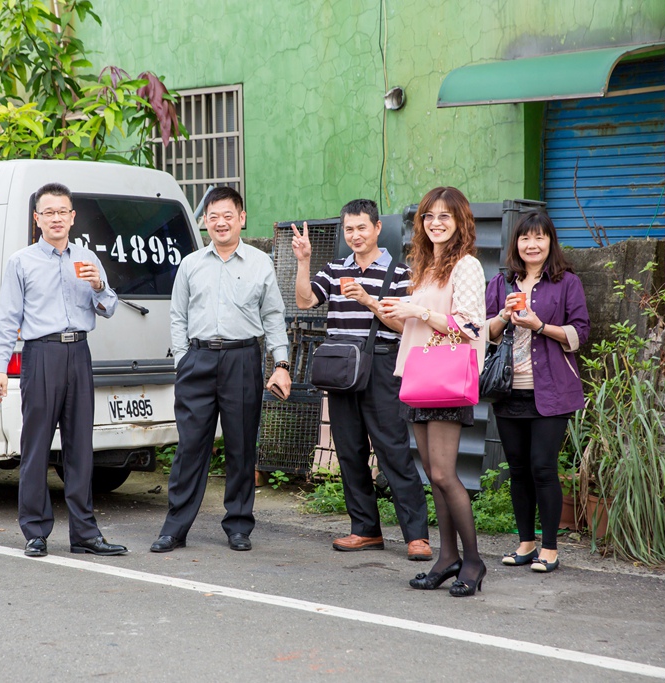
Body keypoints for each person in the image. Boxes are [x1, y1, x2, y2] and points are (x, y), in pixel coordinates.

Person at [150, 186, 292, 553]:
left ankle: (239, 525)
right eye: (213, 217)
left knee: (242, 446)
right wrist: (183, 360)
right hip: (197, 361)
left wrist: (281, 362)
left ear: (242, 219)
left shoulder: (260, 263)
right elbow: (177, 316)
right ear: (205, 222)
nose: (221, 223)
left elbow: (274, 316)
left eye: (228, 215)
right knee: (190, 447)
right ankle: (175, 528)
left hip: (242, 359)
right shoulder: (191, 264)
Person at [0, 182, 128, 558]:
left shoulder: (87, 258)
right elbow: (8, 319)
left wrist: (99, 285)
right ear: (37, 219)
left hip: (79, 353)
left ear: (72, 217)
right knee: (35, 447)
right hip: (41, 355)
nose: (56, 218)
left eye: (62, 211)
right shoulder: (21, 262)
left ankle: (85, 534)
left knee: (81, 447)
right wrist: (0, 368)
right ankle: (35, 531)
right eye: (47, 212)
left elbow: (109, 306)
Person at [291, 198, 432, 561]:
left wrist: (369, 301)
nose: (355, 235)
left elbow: (405, 326)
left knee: (393, 451)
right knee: (350, 452)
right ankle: (365, 530)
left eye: (361, 228)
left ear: (377, 228)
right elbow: (305, 301)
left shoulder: (399, 273)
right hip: (342, 369)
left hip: (383, 366)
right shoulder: (336, 269)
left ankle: (416, 535)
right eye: (349, 229)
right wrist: (304, 261)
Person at [380, 186, 487, 597]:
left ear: (461, 222)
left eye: (445, 216)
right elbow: (413, 327)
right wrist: (384, 308)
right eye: (429, 216)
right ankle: (447, 558)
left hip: (445, 377)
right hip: (420, 377)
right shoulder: (426, 267)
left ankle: (473, 561)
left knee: (444, 473)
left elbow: (472, 326)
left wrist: (418, 309)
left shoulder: (467, 267)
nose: (436, 222)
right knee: (434, 477)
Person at [485, 211, 590, 573]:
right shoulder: (501, 282)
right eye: (525, 238)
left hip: (551, 390)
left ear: (550, 242)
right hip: (508, 390)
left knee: (543, 467)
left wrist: (540, 325)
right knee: (517, 469)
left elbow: (579, 334)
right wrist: (502, 316)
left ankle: (549, 548)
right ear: (516, 243)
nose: (532, 245)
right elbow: (486, 333)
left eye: (539, 238)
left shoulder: (567, 282)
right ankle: (525, 543)